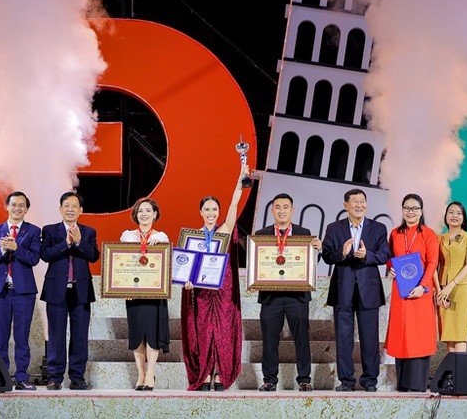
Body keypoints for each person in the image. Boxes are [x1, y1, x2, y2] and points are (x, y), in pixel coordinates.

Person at [181, 165, 247, 391]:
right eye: (207, 209)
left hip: (223, 291)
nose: (211, 213)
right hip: (200, 292)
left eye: (214, 209)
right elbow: (186, 266)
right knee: (203, 333)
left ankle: (219, 374)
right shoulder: (193, 237)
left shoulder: (225, 230)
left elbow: (234, 205)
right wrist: (187, 283)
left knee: (223, 332)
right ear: (201, 212)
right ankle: (205, 372)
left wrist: (239, 182)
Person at [322, 188, 391, 392]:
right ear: (346, 205)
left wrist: (367, 255)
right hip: (342, 288)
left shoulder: (378, 228)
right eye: (355, 202)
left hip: (368, 290)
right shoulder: (334, 228)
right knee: (344, 338)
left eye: (363, 201)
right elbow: (326, 255)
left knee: (369, 338)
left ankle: (370, 380)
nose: (359, 205)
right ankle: (346, 381)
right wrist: (341, 253)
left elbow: (384, 255)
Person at [254, 193, 322, 392]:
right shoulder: (262, 234)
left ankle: (304, 378)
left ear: (292, 210)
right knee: (269, 339)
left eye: (285, 207)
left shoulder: (304, 232)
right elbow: (257, 262)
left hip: (297, 295)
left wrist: (317, 250)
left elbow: (310, 264)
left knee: (301, 337)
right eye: (278, 207)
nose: (282, 210)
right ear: (272, 210)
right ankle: (269, 380)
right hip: (270, 295)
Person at [40, 192, 100, 390]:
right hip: (56, 290)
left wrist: (80, 242)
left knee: (80, 335)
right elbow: (46, 255)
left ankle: (77, 378)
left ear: (81, 210)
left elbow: (94, 257)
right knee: (56, 335)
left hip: (81, 290)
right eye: (66, 205)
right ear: (60, 209)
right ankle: (55, 377)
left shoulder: (89, 232)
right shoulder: (50, 231)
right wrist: (66, 243)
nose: (70, 209)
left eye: (74, 206)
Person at [0, 191, 41, 391]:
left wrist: (16, 247)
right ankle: (0, 376)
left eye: (22, 205)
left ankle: (22, 378)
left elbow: (34, 259)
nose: (17, 208)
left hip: (23, 292)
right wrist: (3, 250)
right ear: (7, 206)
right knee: (0, 338)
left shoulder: (33, 231)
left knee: (22, 337)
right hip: (0, 291)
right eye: (14, 204)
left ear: (26, 209)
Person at [385, 193, 439, 392]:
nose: (411, 212)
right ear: (402, 210)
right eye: (407, 208)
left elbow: (433, 262)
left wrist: (423, 286)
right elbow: (390, 257)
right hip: (401, 292)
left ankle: (417, 384)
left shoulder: (428, 234)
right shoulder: (395, 234)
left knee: (419, 335)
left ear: (421, 211)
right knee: (402, 334)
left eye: (415, 208)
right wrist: (390, 267)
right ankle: (403, 384)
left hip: (421, 292)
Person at [120, 197, 170, 391]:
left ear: (155, 214)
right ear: (136, 214)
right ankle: (140, 374)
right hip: (134, 293)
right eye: (141, 211)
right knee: (137, 334)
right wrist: (122, 288)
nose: (144, 214)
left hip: (154, 294)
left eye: (148, 210)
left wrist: (160, 248)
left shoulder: (162, 237)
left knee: (152, 333)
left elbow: (164, 266)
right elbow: (121, 264)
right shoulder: (128, 236)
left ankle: (150, 374)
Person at [435, 201, 467, 353]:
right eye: (451, 212)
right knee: (449, 335)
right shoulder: (438, 239)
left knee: (459, 335)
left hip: (461, 288)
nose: (454, 216)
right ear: (446, 217)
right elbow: (434, 265)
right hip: (442, 291)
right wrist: (438, 291)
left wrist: (451, 285)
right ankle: (452, 374)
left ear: (463, 218)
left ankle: (460, 374)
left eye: (459, 213)